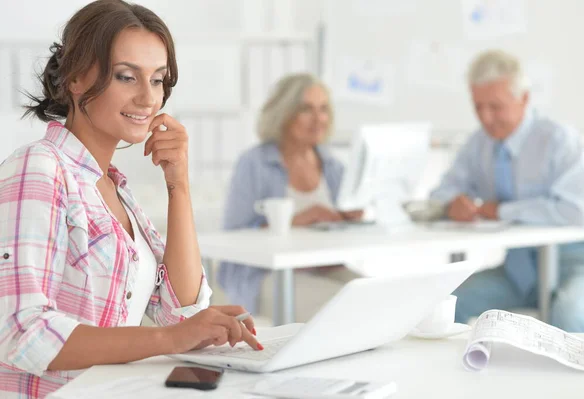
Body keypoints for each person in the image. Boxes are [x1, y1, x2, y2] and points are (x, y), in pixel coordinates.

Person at [0, 1, 261, 398]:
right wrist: (167, 339)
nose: (147, 98)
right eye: (127, 77)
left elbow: (181, 311)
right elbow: (21, 332)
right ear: (75, 79)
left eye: (157, 80)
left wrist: (179, 185)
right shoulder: (40, 169)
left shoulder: (114, 189)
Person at [430, 49, 584, 332]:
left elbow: (575, 213)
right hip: (520, 271)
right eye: (478, 107)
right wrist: (451, 205)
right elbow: (440, 194)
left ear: (523, 98)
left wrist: (499, 210)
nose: (485, 117)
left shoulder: (557, 139)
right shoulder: (478, 144)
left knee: (568, 313)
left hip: (580, 263)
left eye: (495, 107)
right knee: (449, 303)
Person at [217, 73, 362, 321]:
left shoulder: (333, 166)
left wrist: (349, 220)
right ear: (284, 114)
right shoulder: (254, 163)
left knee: (374, 296)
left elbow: (338, 230)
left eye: (323, 109)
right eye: (307, 109)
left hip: (325, 268)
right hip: (264, 275)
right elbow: (233, 234)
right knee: (344, 308)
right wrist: (297, 220)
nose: (318, 119)